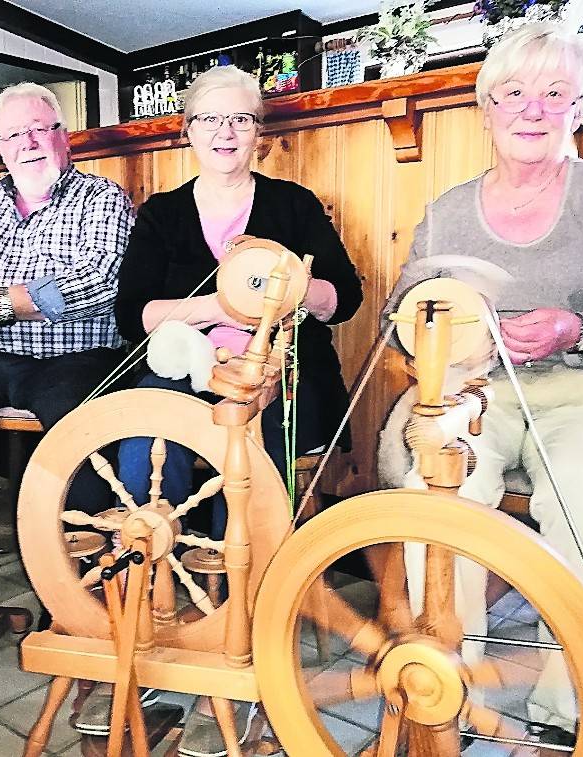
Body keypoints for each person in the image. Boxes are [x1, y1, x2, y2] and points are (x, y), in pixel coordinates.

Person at [381, 23, 583, 747]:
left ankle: (572, 708)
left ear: (582, 106)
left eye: (556, 93)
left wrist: (578, 328)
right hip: (482, 389)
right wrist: (449, 325)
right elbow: (399, 311)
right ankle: (449, 686)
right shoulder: (451, 208)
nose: (533, 109)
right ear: (487, 107)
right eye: (514, 93)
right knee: (432, 499)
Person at [104, 65, 362, 757]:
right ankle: (162, 623)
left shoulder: (294, 204)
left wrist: (288, 288)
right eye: (211, 119)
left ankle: (241, 637)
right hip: (186, 368)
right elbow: (135, 316)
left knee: (245, 457)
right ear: (186, 131)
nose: (226, 131)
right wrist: (222, 306)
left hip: (286, 375)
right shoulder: (161, 212)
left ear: (260, 134)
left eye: (241, 119)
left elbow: (348, 298)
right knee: (144, 451)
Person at [0, 82, 134, 509]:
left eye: (39, 129)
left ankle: (82, 559)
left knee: (78, 429)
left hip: (74, 359)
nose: (28, 144)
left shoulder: (103, 198)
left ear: (63, 135)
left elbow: (103, 281)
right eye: (13, 135)